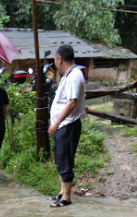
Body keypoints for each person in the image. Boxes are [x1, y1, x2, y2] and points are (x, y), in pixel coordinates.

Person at [48, 44, 86, 208]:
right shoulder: (68, 75)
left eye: (55, 59)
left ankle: (67, 197)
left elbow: (72, 103)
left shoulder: (74, 76)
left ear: (59, 59)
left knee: (65, 159)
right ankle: (62, 191)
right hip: (63, 125)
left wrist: (56, 122)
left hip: (67, 125)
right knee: (60, 158)